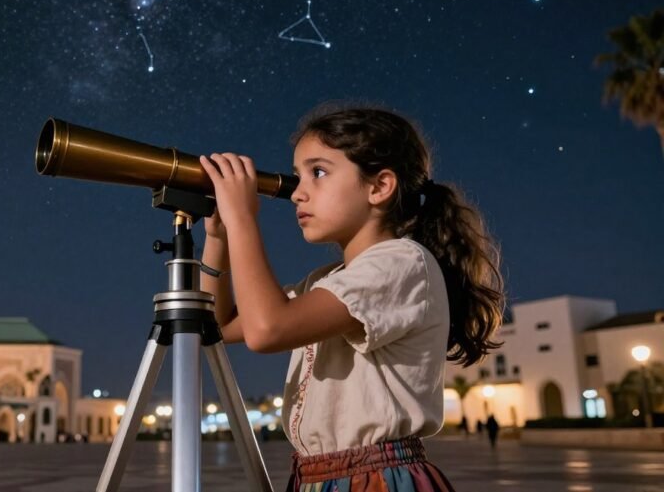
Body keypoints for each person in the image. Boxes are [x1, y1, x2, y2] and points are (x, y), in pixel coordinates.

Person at [198, 105, 506, 491]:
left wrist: (243, 216)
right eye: (297, 176)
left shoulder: (402, 262)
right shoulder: (328, 281)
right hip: (319, 477)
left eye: (319, 172)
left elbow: (267, 329)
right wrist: (219, 238)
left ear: (379, 186)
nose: (298, 193)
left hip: (374, 479)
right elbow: (219, 324)